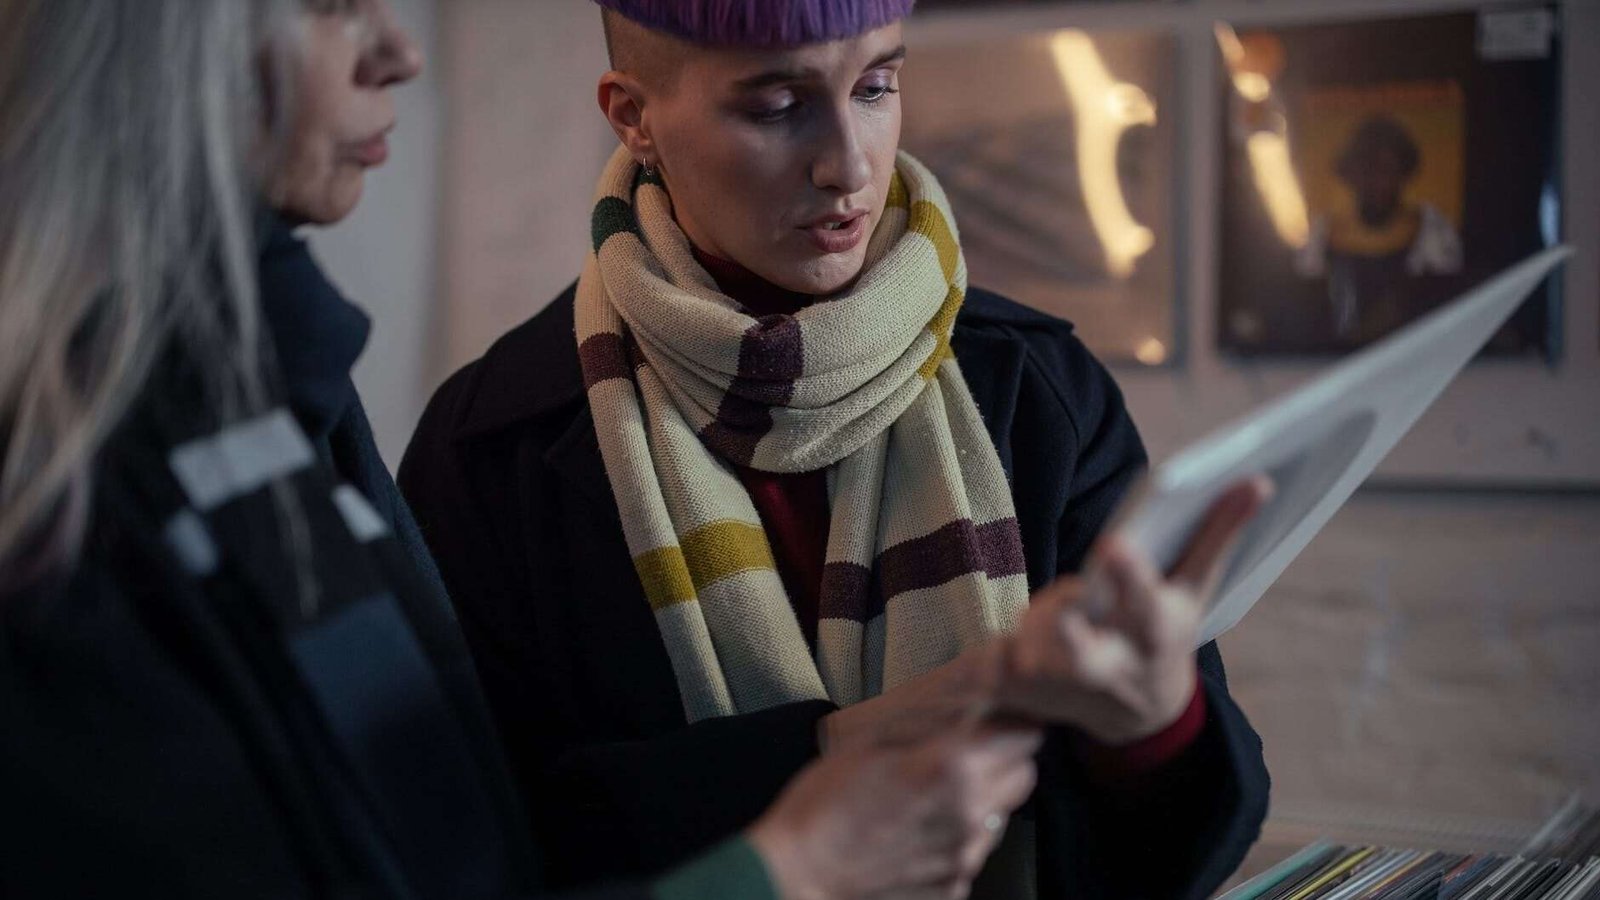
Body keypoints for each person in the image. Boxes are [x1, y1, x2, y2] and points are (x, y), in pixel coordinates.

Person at [0, 1, 1042, 897]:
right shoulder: (472, 436)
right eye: (325, 1)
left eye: (876, 86)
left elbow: (435, 830)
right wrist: (788, 863)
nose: (399, 52)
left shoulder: (280, 398)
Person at [400, 2, 1273, 898]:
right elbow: (466, 840)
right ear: (634, 116)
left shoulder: (1038, 391)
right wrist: (832, 755)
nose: (848, 164)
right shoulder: (491, 447)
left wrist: (1157, 722)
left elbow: (1182, 846)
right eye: (777, 107)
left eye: (876, 87)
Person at [1295, 115, 1464, 341]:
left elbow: (1445, 302)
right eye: (1365, 170)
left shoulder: (1429, 228)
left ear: (1403, 173)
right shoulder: (1323, 232)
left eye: (1385, 170)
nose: (1375, 182)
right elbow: (1307, 304)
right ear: (1350, 176)